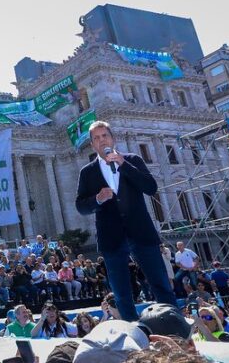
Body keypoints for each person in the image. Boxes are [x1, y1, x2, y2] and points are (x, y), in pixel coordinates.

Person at [75, 120, 177, 321]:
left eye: (104, 135)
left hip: (141, 232)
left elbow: (150, 187)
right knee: (121, 292)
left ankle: (175, 326)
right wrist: (97, 199)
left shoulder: (132, 160)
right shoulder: (87, 171)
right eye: (96, 138)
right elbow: (80, 206)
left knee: (160, 284)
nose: (101, 140)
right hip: (111, 237)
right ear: (92, 144)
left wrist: (124, 164)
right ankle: (133, 331)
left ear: (112, 138)